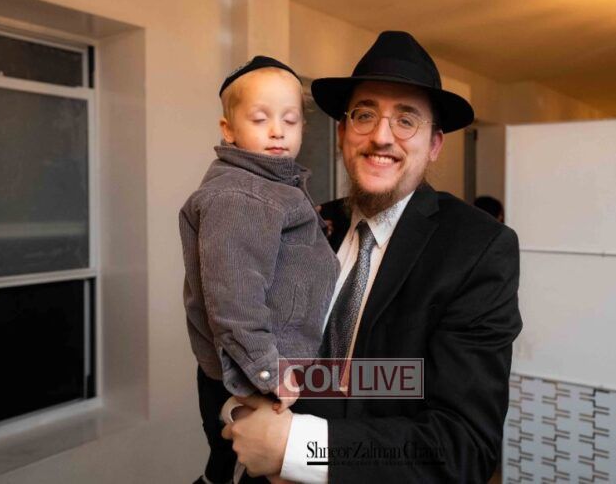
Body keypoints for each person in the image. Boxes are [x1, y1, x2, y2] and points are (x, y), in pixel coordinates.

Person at [223, 31, 523, 483]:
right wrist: (239, 409)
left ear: (435, 144)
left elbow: (463, 447)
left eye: (406, 120)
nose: (381, 137)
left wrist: (296, 447)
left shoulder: (477, 250)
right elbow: (235, 327)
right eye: (364, 115)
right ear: (342, 133)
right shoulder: (305, 223)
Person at [179, 56, 339, 484]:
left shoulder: (270, 184)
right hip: (253, 374)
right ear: (228, 129)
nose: (277, 130)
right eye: (260, 118)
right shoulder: (242, 196)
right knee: (242, 471)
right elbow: (234, 299)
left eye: (290, 119)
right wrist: (270, 371)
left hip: (258, 369)